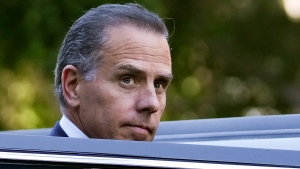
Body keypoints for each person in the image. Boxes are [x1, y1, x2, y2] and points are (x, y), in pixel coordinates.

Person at [49, 3, 173, 141]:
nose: (152, 104)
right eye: (128, 80)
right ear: (72, 86)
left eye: (158, 85)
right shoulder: (33, 162)